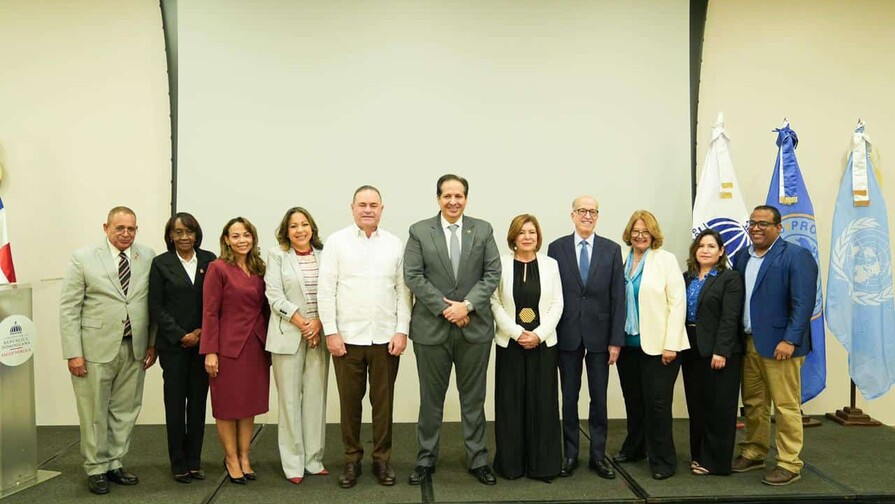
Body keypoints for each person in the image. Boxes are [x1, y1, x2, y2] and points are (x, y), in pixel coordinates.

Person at [404, 174, 501, 486]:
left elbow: (492, 273)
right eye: (447, 196)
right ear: (438, 199)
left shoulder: (483, 230)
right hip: (431, 329)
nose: (453, 201)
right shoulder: (419, 231)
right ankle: (425, 459)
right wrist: (448, 309)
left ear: (466, 199)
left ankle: (478, 459)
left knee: (473, 399)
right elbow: (413, 275)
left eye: (459, 196)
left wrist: (467, 306)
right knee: (431, 400)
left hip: (475, 329)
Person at [318, 185, 412, 489]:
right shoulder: (336, 242)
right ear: (352, 208)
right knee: (349, 404)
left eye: (373, 205)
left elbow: (403, 291)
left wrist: (402, 329)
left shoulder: (395, 244)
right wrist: (331, 331)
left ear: (382, 209)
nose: (368, 209)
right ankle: (351, 459)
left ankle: (381, 458)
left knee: (383, 404)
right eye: (362, 204)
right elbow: (326, 290)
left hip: (385, 338)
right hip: (347, 339)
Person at [59, 206, 157, 495]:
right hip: (93, 350)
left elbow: (153, 303)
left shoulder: (147, 256)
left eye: (131, 229)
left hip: (134, 347)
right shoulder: (83, 258)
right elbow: (69, 308)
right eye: (120, 228)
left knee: (125, 411)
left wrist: (152, 342)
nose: (126, 234)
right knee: (93, 412)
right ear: (106, 228)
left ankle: (115, 462)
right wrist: (73, 352)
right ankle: (96, 468)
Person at [731, 205, 817, 486]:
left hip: (782, 346)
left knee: (785, 405)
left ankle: (789, 462)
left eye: (763, 224)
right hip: (749, 342)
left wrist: (790, 339)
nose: (756, 228)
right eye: (753, 223)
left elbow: (804, 302)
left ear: (778, 228)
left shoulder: (796, 256)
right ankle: (755, 451)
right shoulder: (742, 256)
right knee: (753, 402)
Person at [546, 196, 624, 480]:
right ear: (573, 215)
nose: (587, 215)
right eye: (582, 210)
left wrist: (616, 340)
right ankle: (569, 454)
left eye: (592, 211)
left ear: (597, 216)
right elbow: (550, 293)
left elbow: (618, 297)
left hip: (601, 338)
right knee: (569, 397)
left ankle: (598, 456)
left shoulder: (612, 250)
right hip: (566, 334)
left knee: (599, 399)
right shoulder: (556, 248)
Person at [614, 210, 687, 480]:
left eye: (645, 231)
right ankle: (635, 448)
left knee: (657, 405)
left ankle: (663, 460)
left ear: (653, 234)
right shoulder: (623, 261)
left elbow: (677, 303)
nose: (640, 235)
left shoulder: (665, 260)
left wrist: (671, 345)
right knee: (634, 402)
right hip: (628, 346)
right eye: (635, 231)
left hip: (660, 348)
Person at [490, 214, 564, 482]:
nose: (527, 237)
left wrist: (539, 335)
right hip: (510, 344)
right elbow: (494, 302)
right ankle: (511, 465)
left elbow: (558, 303)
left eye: (531, 232)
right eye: (522, 232)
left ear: (538, 236)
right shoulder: (500, 264)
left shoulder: (551, 265)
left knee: (542, 404)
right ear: (513, 237)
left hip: (543, 345)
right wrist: (517, 332)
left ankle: (542, 465)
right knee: (510, 405)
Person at [200, 217, 270, 485]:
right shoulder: (218, 268)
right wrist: (210, 351)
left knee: (248, 404)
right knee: (227, 405)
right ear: (227, 240)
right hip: (227, 347)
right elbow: (210, 312)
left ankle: (244, 456)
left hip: (256, 345)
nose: (242, 240)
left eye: (246, 235)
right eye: (236, 235)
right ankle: (231, 458)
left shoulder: (259, 267)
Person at [149, 212, 216, 483]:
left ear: (196, 234)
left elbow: (215, 302)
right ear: (170, 235)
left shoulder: (210, 260)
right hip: (173, 347)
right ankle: (178, 463)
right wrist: (180, 335)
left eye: (189, 232)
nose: (184, 237)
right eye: (178, 232)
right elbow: (156, 306)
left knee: (198, 405)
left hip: (203, 344)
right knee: (175, 406)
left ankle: (194, 461)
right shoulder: (160, 263)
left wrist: (201, 332)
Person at [264, 207, 328, 485]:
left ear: (312, 228)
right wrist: (304, 324)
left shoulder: (325, 256)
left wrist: (318, 324)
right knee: (289, 401)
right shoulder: (277, 256)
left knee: (315, 399)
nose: (300, 230)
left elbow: (332, 293)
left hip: (319, 335)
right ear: (286, 231)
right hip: (287, 335)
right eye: (294, 226)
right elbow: (274, 296)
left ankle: (313, 460)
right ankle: (293, 464)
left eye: (304, 224)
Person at [681, 229, 744, 476]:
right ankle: (698, 455)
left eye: (711, 246)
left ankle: (716, 462)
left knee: (719, 407)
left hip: (719, 351)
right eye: (701, 246)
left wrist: (721, 351)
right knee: (697, 405)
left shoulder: (730, 278)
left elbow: (730, 317)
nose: (705, 250)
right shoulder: (687, 278)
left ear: (721, 251)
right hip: (691, 348)